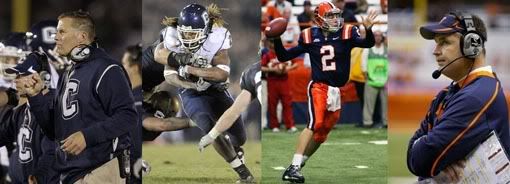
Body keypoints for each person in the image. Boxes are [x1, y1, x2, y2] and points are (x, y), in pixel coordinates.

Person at [15, 10, 137, 183]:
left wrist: (87, 136)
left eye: (61, 31)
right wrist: (36, 97)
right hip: (71, 173)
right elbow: (54, 131)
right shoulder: (70, 72)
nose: (56, 37)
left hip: (101, 169)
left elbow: (128, 116)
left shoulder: (107, 69)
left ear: (82, 37)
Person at [266, 1, 377, 182]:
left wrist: (369, 30)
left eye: (336, 15)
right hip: (319, 87)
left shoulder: (347, 32)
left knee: (322, 133)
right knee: (315, 124)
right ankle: (294, 166)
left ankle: (298, 164)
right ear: (319, 19)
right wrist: (277, 38)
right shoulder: (309, 35)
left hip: (336, 91)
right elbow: (284, 56)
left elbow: (368, 43)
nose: (335, 19)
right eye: (330, 16)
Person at [152, 3, 254, 182]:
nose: (188, 38)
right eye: (185, 33)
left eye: (193, 34)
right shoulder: (172, 36)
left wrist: (191, 69)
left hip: (216, 90)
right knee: (208, 126)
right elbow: (169, 75)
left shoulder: (217, 37)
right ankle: (244, 173)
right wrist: (190, 85)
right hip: (190, 92)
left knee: (240, 137)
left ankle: (235, 148)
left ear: (205, 31)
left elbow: (222, 74)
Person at [407, 12, 509, 182]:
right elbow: (414, 151)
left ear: (472, 45)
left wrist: (429, 160)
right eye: (436, 44)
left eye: (445, 42)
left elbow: (420, 159)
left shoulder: (477, 95)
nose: (435, 51)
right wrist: (435, 167)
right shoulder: (447, 94)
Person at [198, 61, 261, 151]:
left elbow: (234, 111)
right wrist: (212, 135)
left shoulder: (252, 73)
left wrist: (212, 135)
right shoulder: (252, 74)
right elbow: (235, 111)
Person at [261, 42, 297, 133]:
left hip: (284, 81)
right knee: (273, 104)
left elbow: (295, 64)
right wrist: (273, 69)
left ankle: (290, 125)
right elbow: (261, 67)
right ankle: (274, 125)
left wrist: (287, 69)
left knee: (287, 103)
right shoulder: (268, 55)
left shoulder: (285, 54)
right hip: (272, 81)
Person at [361, 30, 388, 128]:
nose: (377, 37)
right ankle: (367, 122)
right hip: (371, 81)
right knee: (369, 104)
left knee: (386, 104)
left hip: (385, 82)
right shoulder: (367, 49)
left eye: (379, 36)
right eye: (376, 36)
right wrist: (366, 77)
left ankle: (386, 123)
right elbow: (363, 64)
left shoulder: (387, 50)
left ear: (382, 37)